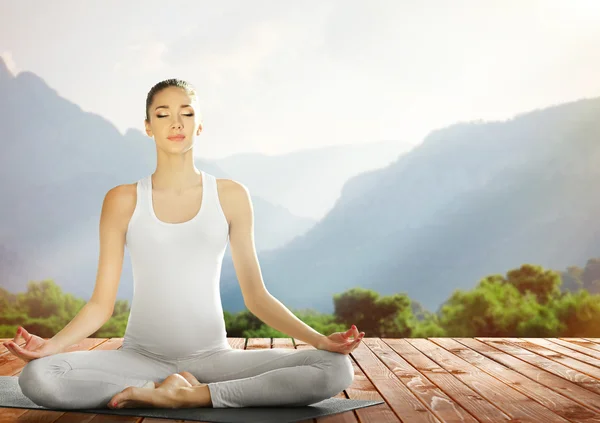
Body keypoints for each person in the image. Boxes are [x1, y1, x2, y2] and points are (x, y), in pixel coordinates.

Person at [3, 78, 365, 410]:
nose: (176, 123)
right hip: (137, 358)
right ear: (148, 126)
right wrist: (50, 347)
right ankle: (163, 386)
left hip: (215, 360)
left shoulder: (231, 195)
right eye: (163, 114)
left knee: (334, 369)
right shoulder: (122, 200)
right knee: (38, 378)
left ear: (199, 125)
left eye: (186, 113)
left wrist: (319, 340)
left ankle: (191, 393)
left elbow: (256, 296)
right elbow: (101, 304)